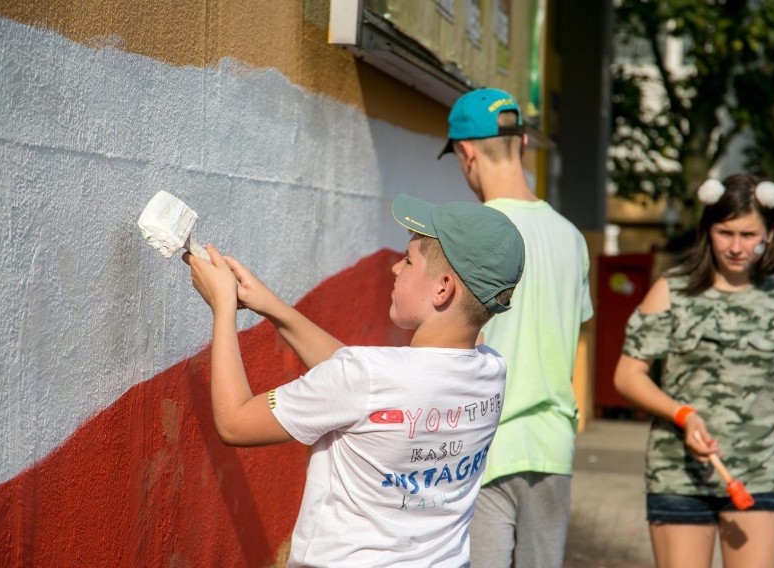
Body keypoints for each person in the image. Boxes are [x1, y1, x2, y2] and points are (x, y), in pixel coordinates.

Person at [183, 193, 525, 567]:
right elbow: (359, 384)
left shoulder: (366, 378)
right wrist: (272, 306)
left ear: (442, 288)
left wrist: (223, 309)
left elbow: (235, 422)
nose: (396, 268)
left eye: (409, 261)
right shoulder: (492, 372)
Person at [613, 174, 774, 567]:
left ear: (770, 234)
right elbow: (627, 375)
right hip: (679, 475)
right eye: (725, 232)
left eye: (748, 233)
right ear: (708, 231)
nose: (736, 246)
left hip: (760, 475)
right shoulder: (672, 290)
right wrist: (682, 414)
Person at [438, 87, 594, 568]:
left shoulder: (470, 231)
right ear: (523, 144)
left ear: (466, 153)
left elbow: (453, 343)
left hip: (483, 447)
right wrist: (575, 419)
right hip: (553, 449)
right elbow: (582, 335)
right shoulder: (571, 236)